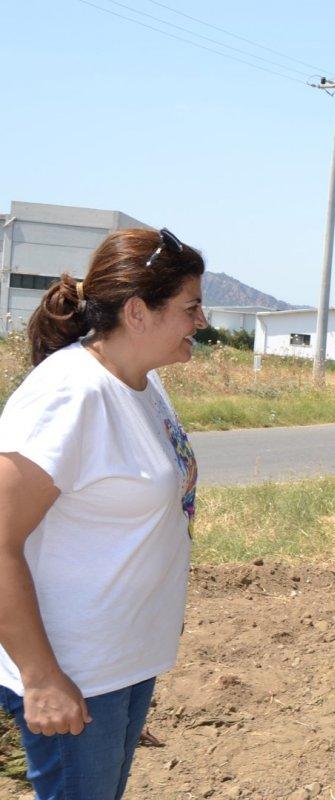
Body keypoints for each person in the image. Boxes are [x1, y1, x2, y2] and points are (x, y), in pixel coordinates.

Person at [0, 228, 206, 799]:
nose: (203, 321)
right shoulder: (70, 394)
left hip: (125, 660)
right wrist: (41, 678)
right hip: (75, 673)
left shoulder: (142, 384)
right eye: (190, 307)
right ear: (138, 311)